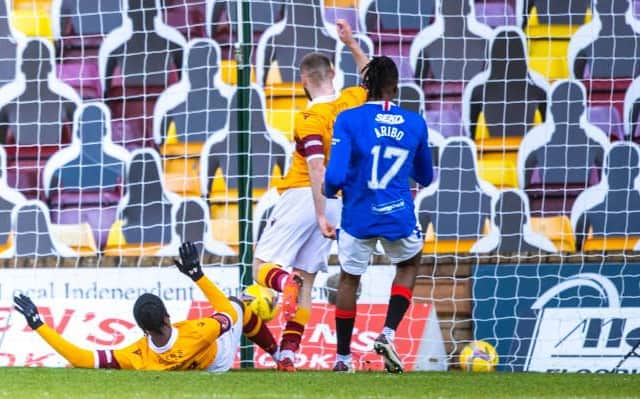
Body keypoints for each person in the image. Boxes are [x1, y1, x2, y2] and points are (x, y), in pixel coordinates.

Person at [251, 19, 369, 372]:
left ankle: (283, 285)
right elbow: (369, 76)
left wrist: (317, 212)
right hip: (338, 201)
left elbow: (316, 167)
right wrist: (351, 44)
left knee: (262, 268)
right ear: (333, 73)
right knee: (309, 279)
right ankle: (288, 353)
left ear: (303, 81)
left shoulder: (308, 118)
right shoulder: (352, 100)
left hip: (307, 194)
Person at [324, 56, 434, 373]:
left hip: (358, 214)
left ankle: (343, 359)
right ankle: (387, 333)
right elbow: (426, 177)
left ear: (365, 87)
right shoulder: (415, 122)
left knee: (349, 279)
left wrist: (331, 193)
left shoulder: (348, 119)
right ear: (395, 89)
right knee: (410, 262)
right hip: (398, 213)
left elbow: (333, 177)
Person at [13, 242, 278, 371]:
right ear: (167, 316)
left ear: (141, 328)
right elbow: (229, 314)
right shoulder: (199, 332)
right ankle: (279, 356)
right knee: (238, 305)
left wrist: (37, 323)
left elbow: (79, 358)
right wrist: (197, 274)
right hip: (217, 358)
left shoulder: (137, 356)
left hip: (201, 371)